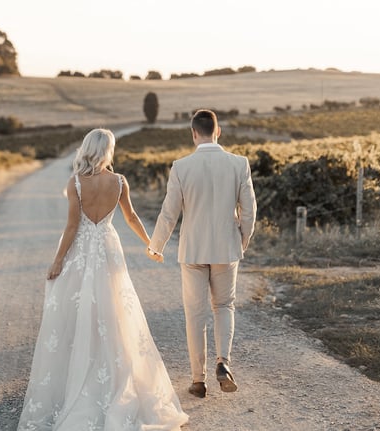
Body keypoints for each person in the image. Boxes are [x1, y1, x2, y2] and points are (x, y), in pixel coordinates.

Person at [18, 129, 189, 430]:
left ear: (86, 149)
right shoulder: (119, 182)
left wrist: (57, 261)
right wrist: (151, 245)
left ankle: (80, 371)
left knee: (77, 311)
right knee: (115, 312)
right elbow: (132, 216)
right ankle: (112, 373)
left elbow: (72, 227)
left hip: (82, 250)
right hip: (108, 249)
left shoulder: (75, 183)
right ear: (108, 150)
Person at [147, 109, 256, 399]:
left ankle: (198, 380)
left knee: (195, 315)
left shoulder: (181, 167)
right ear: (217, 131)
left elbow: (169, 213)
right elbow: (249, 210)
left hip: (193, 250)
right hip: (226, 248)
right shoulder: (239, 164)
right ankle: (224, 362)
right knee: (224, 306)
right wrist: (241, 241)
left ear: (194, 133)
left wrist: (155, 246)